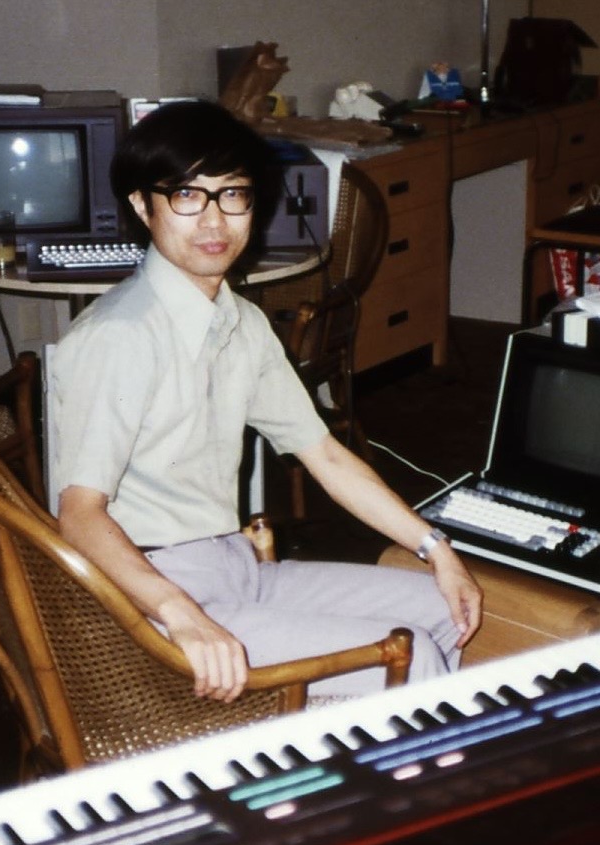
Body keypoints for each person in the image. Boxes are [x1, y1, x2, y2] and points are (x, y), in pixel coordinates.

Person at [52, 99, 481, 703]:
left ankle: (342, 748)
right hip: (149, 597)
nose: (213, 221)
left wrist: (436, 549)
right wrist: (180, 612)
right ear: (143, 207)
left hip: (236, 568)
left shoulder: (241, 322)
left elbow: (324, 455)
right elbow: (78, 514)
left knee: (440, 610)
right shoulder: (118, 337)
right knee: (414, 661)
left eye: (232, 194)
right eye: (186, 195)